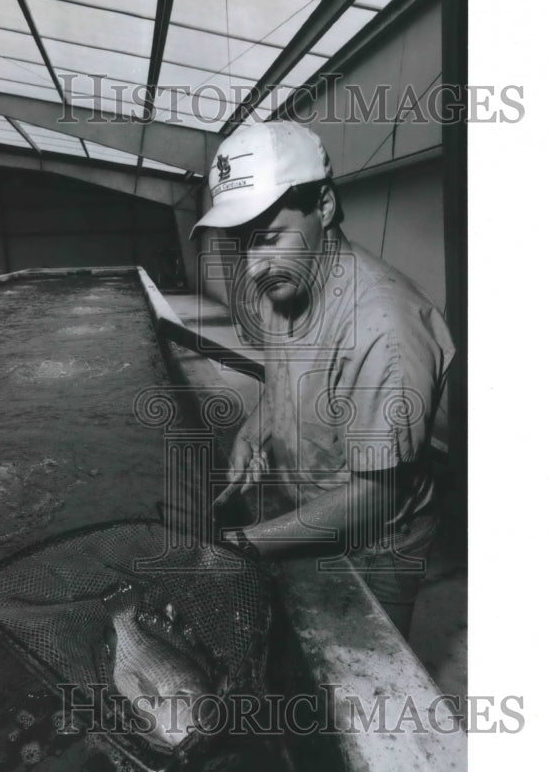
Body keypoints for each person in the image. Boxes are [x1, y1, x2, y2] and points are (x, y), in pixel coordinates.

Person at [191, 121, 455, 637]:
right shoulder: (282, 288)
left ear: (326, 207)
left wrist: (242, 544)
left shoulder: (383, 330)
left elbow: (376, 496)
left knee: (367, 661)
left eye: (270, 239)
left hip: (378, 543)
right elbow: (286, 378)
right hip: (312, 510)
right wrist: (253, 431)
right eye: (242, 244)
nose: (254, 267)